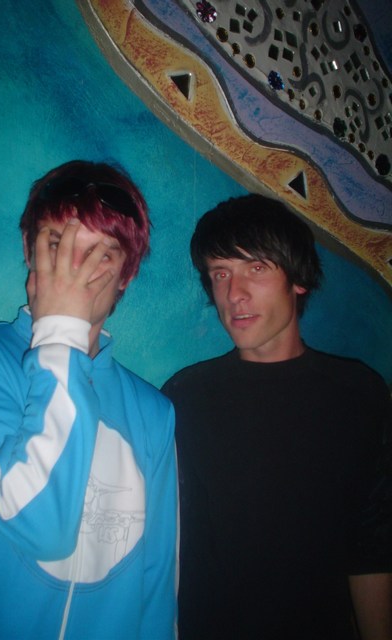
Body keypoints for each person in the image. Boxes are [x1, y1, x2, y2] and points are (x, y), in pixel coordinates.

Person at [0, 160, 178, 639]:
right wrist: (62, 333)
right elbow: (42, 524)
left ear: (126, 276)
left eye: (101, 254)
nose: (74, 269)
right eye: (56, 244)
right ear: (27, 250)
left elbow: (155, 596)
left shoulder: (154, 414)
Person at [162, 194, 392, 640]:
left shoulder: (359, 394)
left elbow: (373, 545)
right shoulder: (185, 398)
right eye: (220, 273)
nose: (234, 293)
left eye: (256, 268)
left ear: (298, 279)